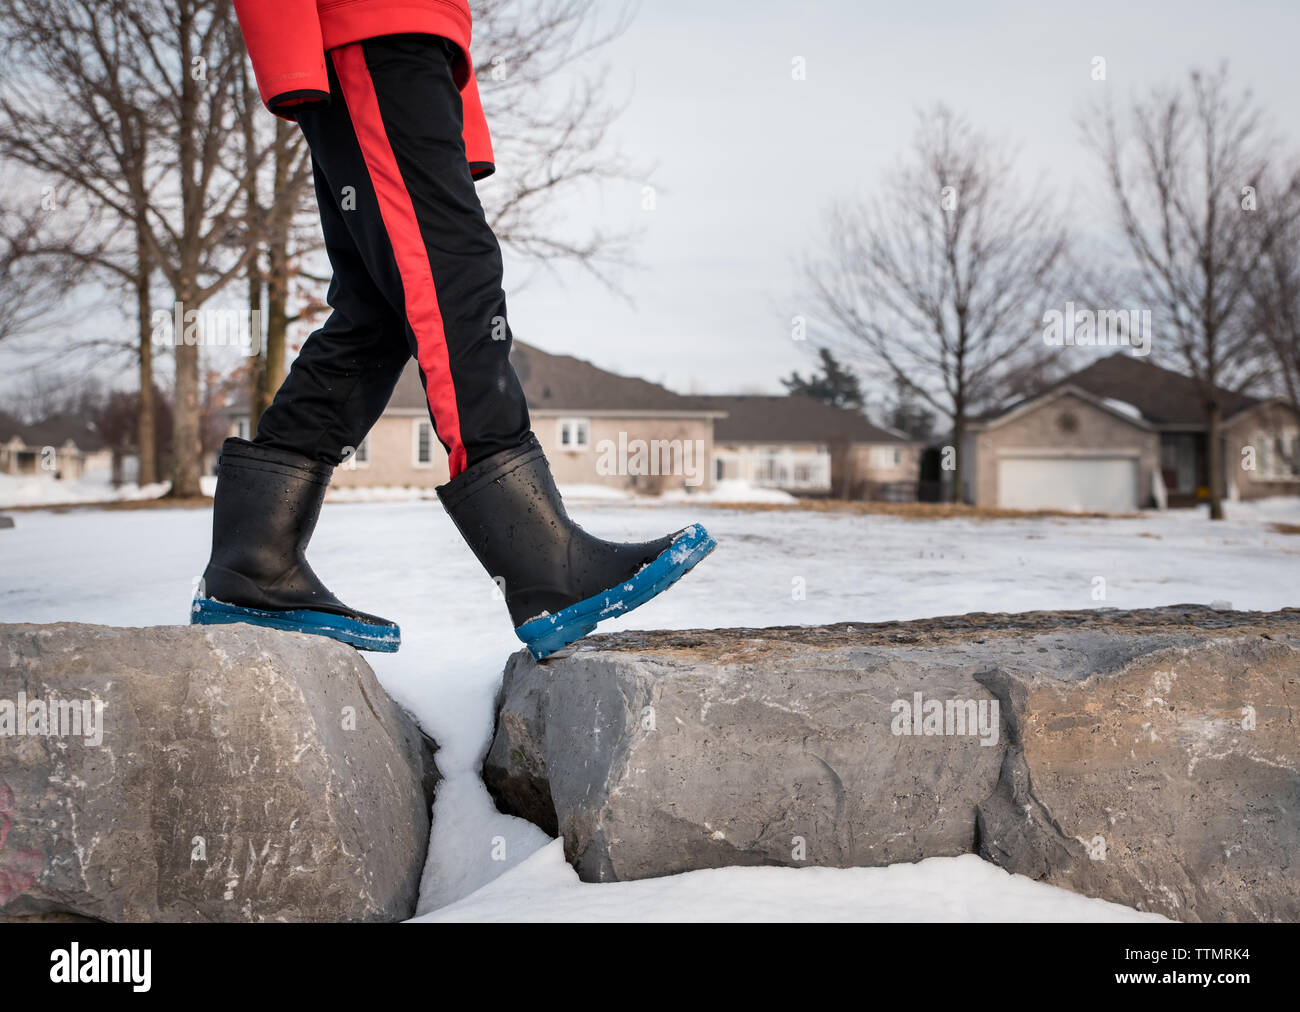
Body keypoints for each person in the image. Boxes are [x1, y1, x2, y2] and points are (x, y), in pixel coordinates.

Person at [193, 0, 716, 660]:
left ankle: (254, 563)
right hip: (373, 32)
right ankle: (542, 565)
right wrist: (289, 46)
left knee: (377, 311)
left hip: (409, 42)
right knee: (453, 278)